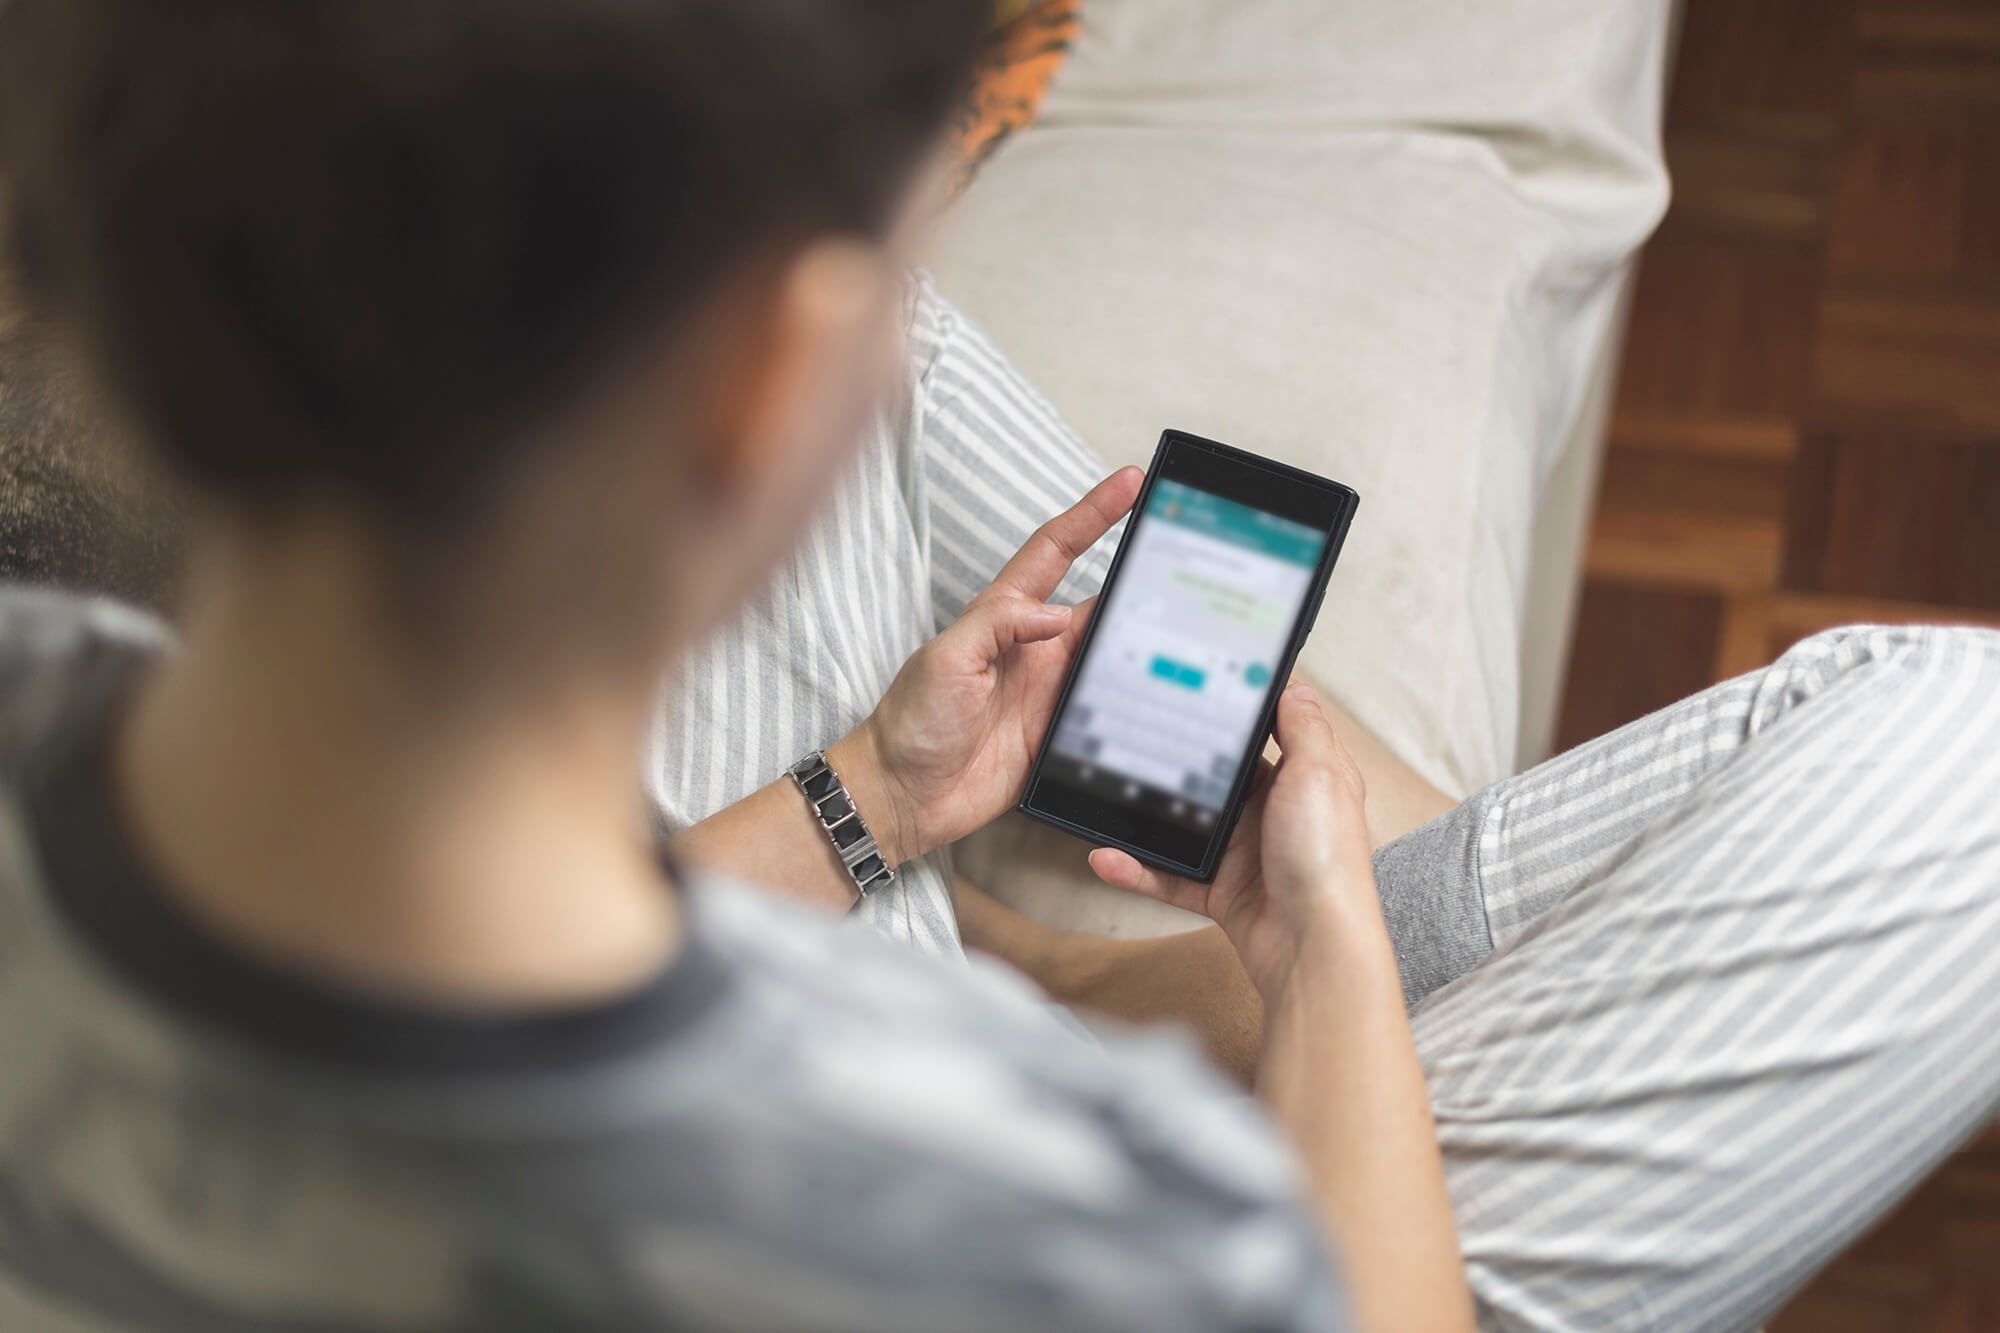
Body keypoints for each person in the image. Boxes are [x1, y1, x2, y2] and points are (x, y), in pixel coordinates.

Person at [0, 8, 1997, 1333]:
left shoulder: (43, 696)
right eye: (890, 261)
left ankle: (1121, 946)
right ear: (770, 373)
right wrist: (1321, 947)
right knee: (1960, 753)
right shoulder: (1061, 1221)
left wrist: (872, 794)